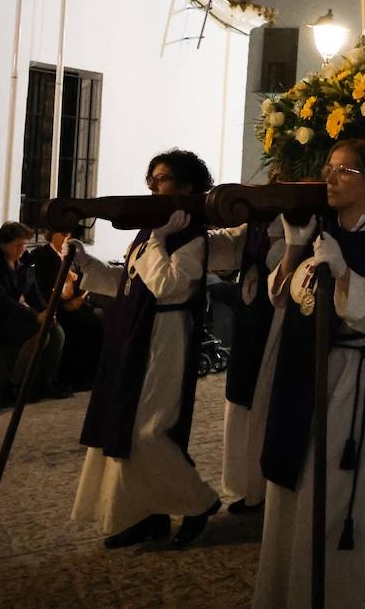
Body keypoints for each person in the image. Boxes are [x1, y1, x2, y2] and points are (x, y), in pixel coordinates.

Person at [254, 139, 365, 608]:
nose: (330, 178)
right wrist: (293, 250)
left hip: (355, 377)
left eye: (343, 171)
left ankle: (338, 595)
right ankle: (288, 591)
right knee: (295, 482)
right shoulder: (325, 235)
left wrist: (345, 275)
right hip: (306, 371)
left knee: (338, 491)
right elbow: (284, 297)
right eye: (329, 168)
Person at [67, 150, 224, 548]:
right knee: (121, 423)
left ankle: (198, 501)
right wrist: (87, 263)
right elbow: (130, 283)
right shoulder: (152, 233)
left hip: (166, 334)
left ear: (187, 186)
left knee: (149, 430)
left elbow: (170, 286)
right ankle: (143, 514)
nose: (154, 185)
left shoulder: (190, 237)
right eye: (151, 178)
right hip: (133, 333)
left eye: (163, 178)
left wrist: (158, 240)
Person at [220, 216, 285, 515]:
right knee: (242, 403)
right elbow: (226, 245)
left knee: (264, 403)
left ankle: (263, 488)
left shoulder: (290, 228)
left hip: (271, 323)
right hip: (248, 324)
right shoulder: (253, 227)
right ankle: (248, 486)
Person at [0, 222, 68, 402]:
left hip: (14, 316)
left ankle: (48, 381)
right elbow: (1, 302)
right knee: (40, 334)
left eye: (24, 244)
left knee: (57, 332)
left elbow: (33, 293)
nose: (22, 249)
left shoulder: (23, 264)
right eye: (18, 245)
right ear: (3, 244)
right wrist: (35, 316)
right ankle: (15, 385)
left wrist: (47, 311)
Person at [31, 228, 103, 392]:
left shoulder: (70, 256)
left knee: (95, 322)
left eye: (69, 235)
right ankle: (68, 378)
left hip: (72, 305)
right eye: (62, 234)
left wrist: (78, 296)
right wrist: (63, 304)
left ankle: (89, 376)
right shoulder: (42, 256)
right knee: (75, 326)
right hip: (54, 307)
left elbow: (78, 281)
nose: (66, 239)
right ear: (51, 235)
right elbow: (39, 288)